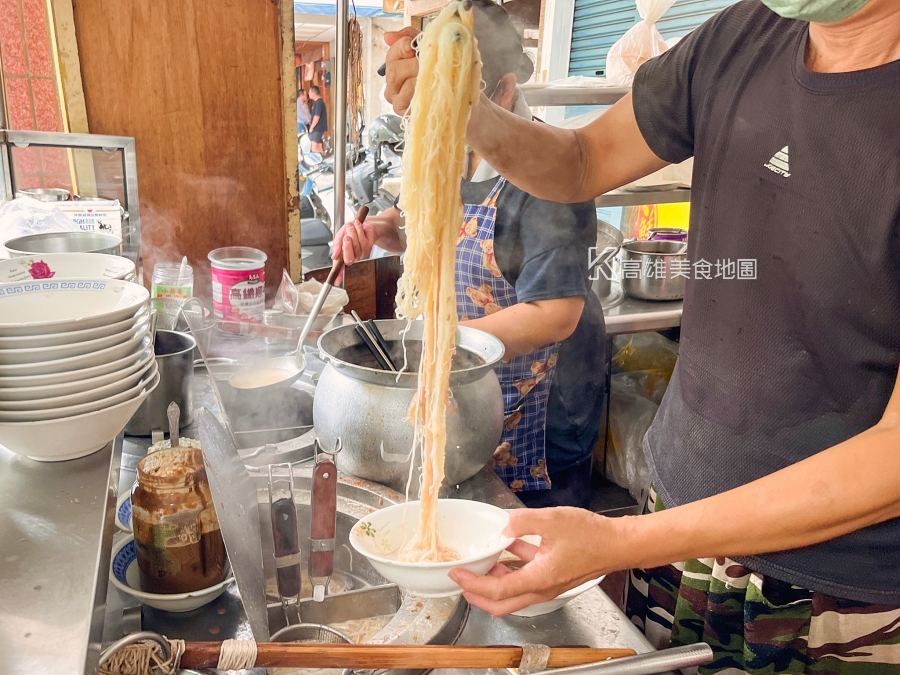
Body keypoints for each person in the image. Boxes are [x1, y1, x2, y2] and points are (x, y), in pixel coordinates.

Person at [384, 0, 900, 671]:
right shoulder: (742, 36)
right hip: (677, 530)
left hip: (835, 594)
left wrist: (623, 539)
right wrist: (462, 107)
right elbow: (580, 161)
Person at [333, 0, 607, 509]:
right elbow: (410, 220)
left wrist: (439, 348)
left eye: (451, 100)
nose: (439, 118)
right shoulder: (450, 146)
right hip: (470, 394)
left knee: (525, 555)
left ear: (502, 88)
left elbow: (556, 314)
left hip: (541, 415)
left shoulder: (546, 169)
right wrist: (374, 231)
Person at [308, 86, 328, 154]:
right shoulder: (317, 102)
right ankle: (323, 163)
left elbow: (317, 116)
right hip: (319, 128)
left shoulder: (319, 103)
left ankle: (316, 164)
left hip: (317, 128)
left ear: (313, 92)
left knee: (314, 146)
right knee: (319, 146)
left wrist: (312, 127)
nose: (308, 94)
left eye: (309, 92)